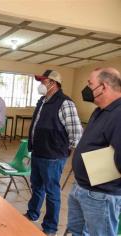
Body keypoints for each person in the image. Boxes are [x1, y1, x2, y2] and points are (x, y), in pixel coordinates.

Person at [24, 69, 82, 236]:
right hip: (38, 152)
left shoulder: (65, 103)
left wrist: (64, 149)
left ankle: (50, 228)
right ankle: (32, 214)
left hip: (53, 156)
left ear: (53, 83)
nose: (41, 84)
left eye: (44, 81)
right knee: (36, 187)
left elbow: (76, 132)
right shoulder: (42, 100)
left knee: (52, 192)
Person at [67, 67, 121, 236]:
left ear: (103, 87)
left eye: (90, 84)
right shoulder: (100, 110)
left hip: (100, 194)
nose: (87, 88)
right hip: (81, 187)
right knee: (77, 232)